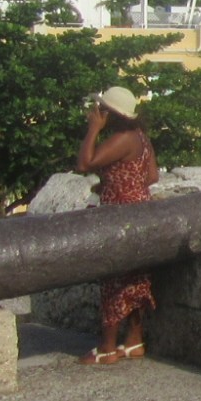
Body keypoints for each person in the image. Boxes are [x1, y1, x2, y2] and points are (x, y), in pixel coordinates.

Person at [75, 85, 158, 366]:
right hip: (140, 210)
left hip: (120, 215)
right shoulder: (141, 137)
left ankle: (107, 347)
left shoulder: (122, 139)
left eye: (102, 110)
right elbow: (152, 176)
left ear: (111, 114)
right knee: (135, 280)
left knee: (113, 279)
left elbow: (85, 163)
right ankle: (134, 341)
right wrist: (116, 182)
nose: (97, 113)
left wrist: (93, 129)